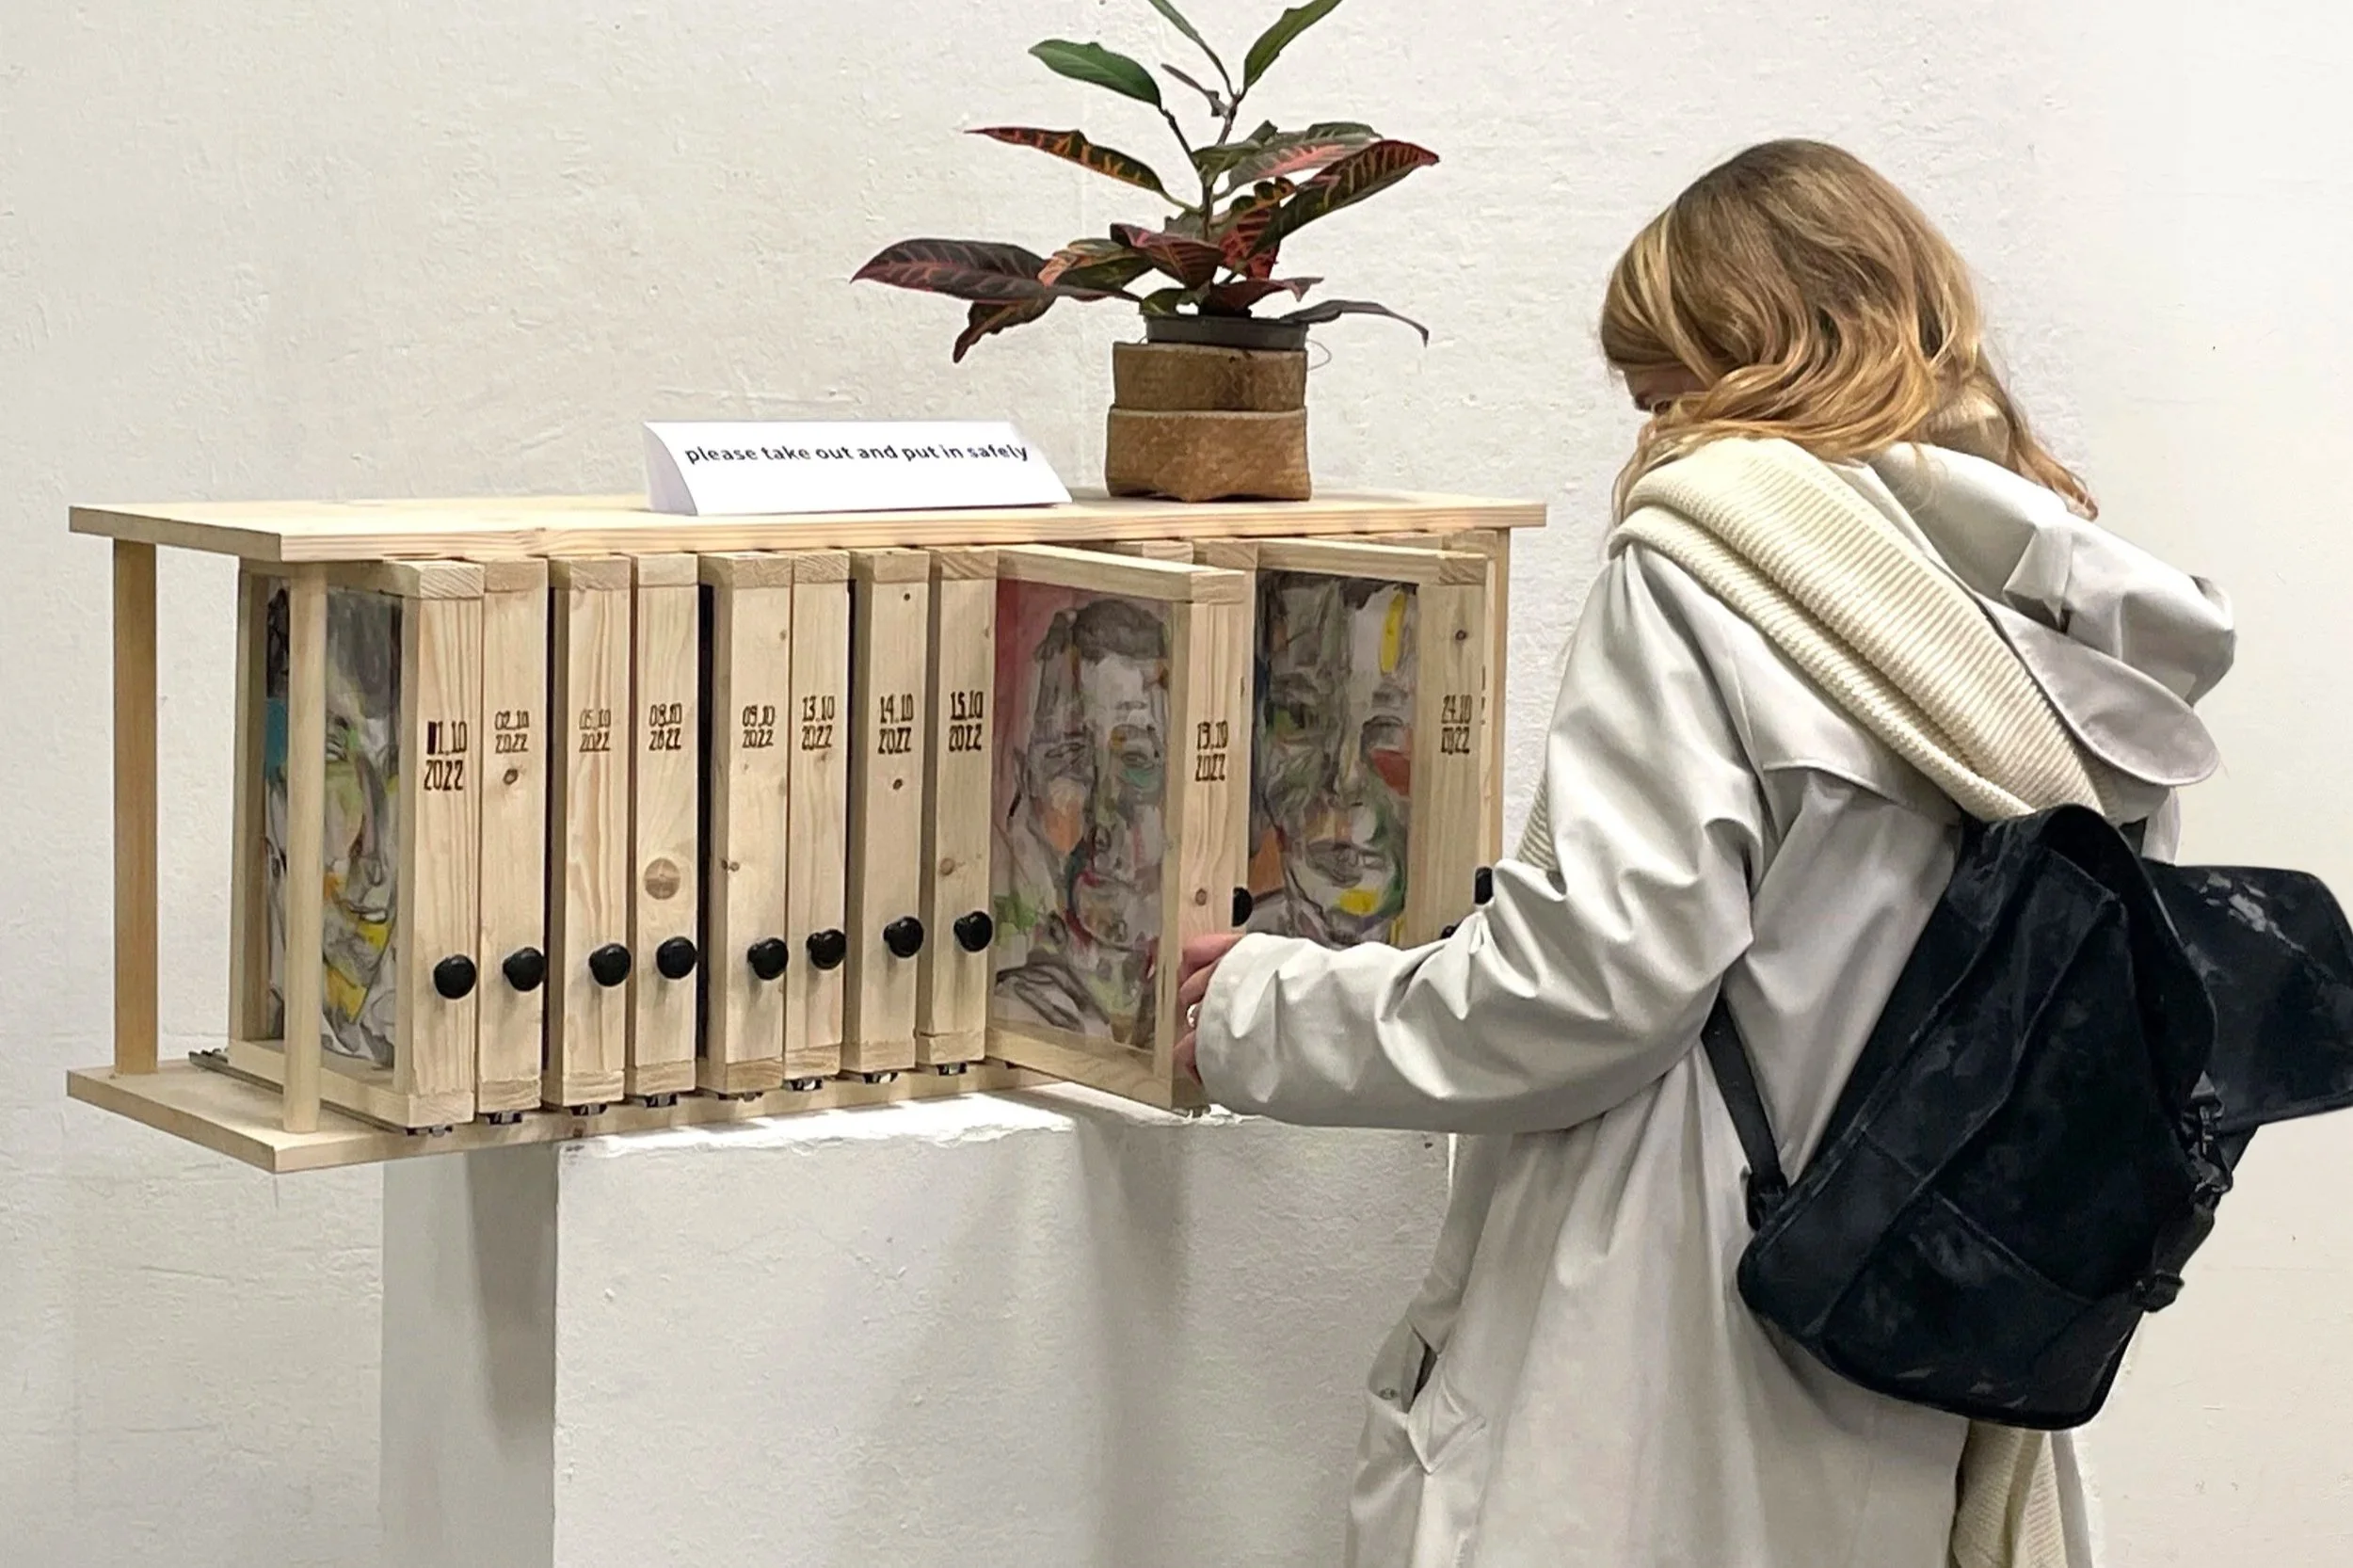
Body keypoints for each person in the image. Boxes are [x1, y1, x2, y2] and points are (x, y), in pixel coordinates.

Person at [1175, 140, 2235, 1568]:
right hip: (1939, 1347)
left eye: (1656, 382)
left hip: (1672, 1337)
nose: (1652, 426)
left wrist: (1255, 1007)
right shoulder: (2075, 622)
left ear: (1741, 353)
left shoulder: (1710, 562)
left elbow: (1585, 989)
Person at [991, 592, 1171, 1046]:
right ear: (1023, 788)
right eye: (1069, 759)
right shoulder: (1018, 1013)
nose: (1104, 810)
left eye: (1137, 758)